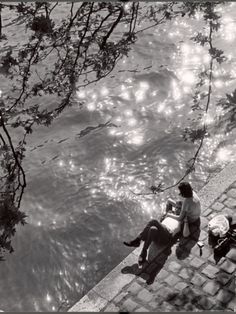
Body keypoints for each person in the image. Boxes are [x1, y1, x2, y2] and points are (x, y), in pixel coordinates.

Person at [123, 181, 201, 265]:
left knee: (154, 221)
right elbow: (169, 201)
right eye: (177, 208)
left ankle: (137, 240)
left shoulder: (182, 219)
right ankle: (143, 252)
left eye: (180, 209)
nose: (178, 209)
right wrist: (173, 209)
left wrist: (180, 219)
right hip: (159, 235)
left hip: (167, 235)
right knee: (153, 229)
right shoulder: (172, 211)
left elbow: (186, 234)